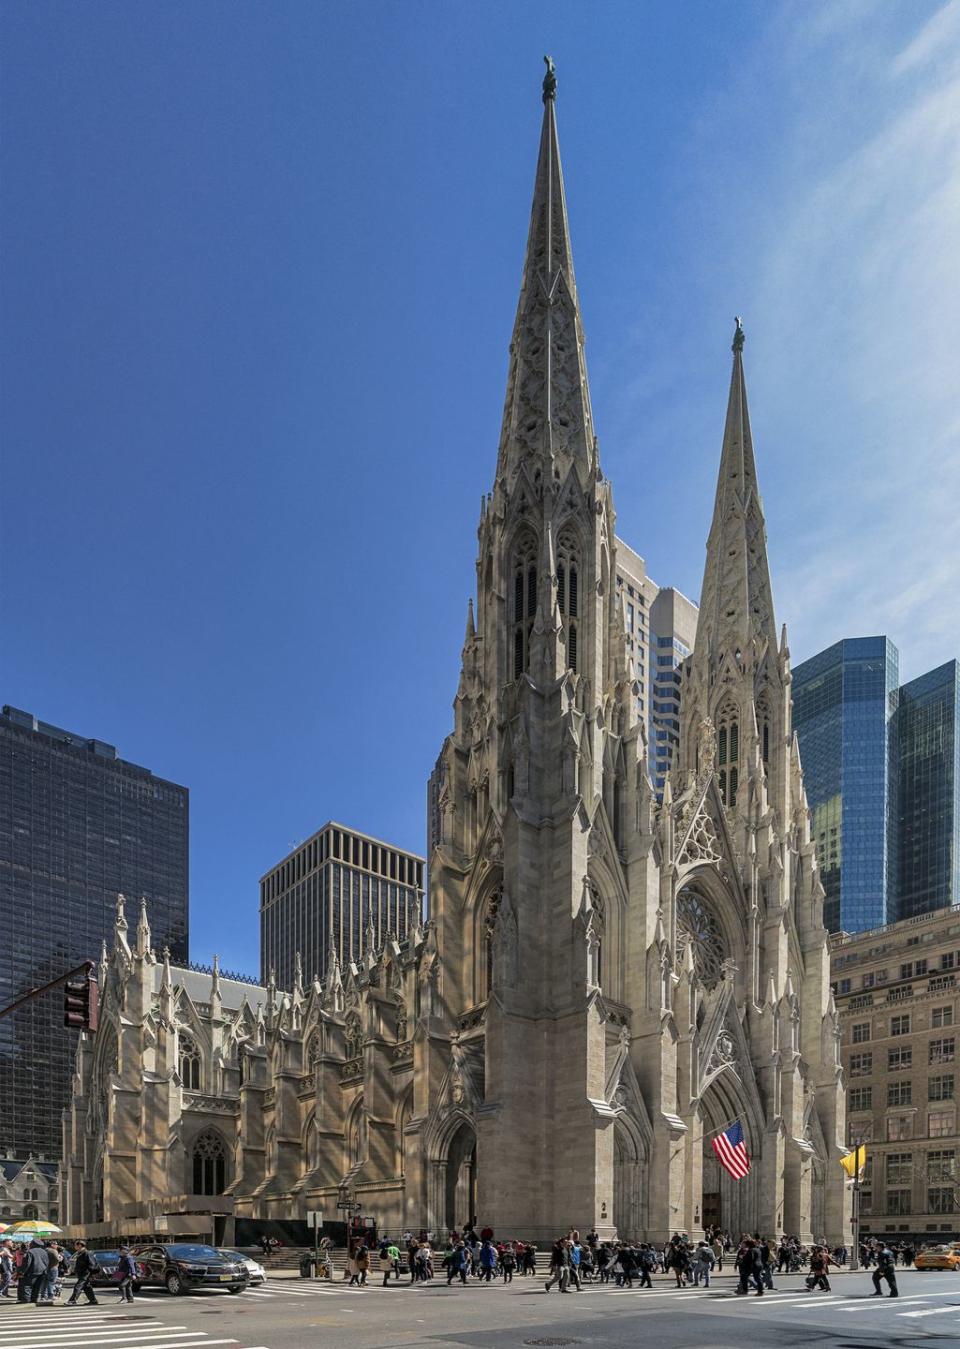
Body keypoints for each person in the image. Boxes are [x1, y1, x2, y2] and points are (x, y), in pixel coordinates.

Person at [66, 1242, 98, 1307]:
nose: (74, 1247)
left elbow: (91, 1264)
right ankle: (93, 1300)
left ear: (80, 1245)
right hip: (81, 1273)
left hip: (85, 1273)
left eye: (75, 1245)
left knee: (78, 1286)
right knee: (87, 1287)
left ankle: (72, 1301)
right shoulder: (80, 1253)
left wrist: (91, 1273)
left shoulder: (87, 1253)